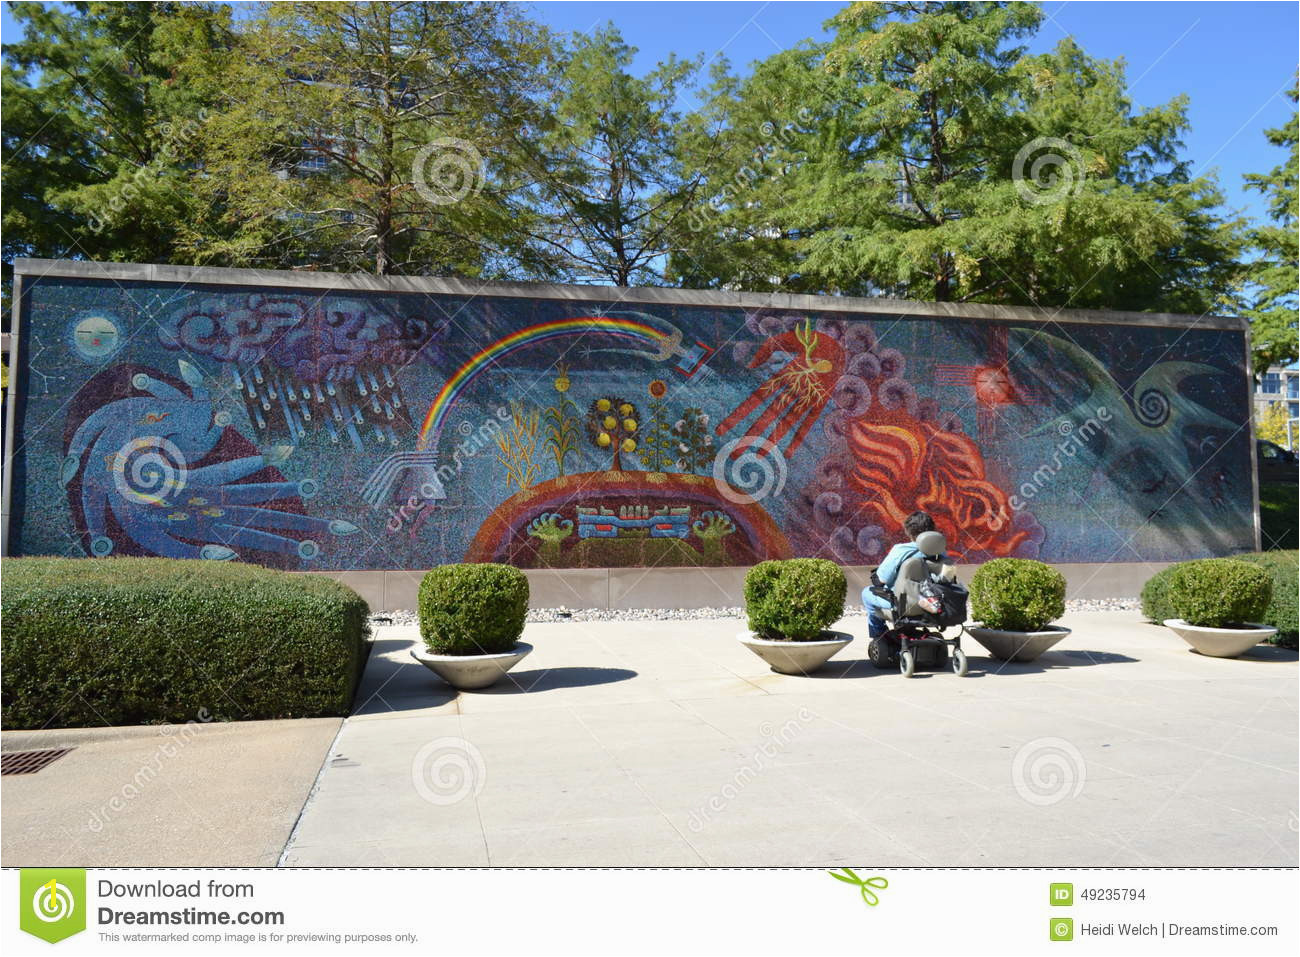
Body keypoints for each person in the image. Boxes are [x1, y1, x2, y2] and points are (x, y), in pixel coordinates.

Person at [862, 511, 941, 639]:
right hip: (933, 602)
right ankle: (908, 631)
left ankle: (880, 634)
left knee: (867, 593)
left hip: (904, 604)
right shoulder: (940, 552)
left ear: (909, 531)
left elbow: (881, 580)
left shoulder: (901, 550)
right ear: (932, 530)